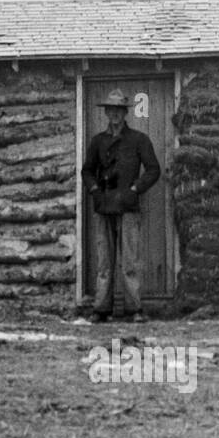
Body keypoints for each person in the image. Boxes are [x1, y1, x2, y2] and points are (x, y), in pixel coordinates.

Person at [80, 89, 160, 323]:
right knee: (105, 261)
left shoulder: (138, 140)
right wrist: (94, 189)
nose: (114, 114)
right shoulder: (98, 141)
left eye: (118, 110)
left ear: (125, 113)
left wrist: (136, 188)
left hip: (127, 206)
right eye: (110, 110)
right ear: (106, 112)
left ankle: (134, 309)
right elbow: (87, 171)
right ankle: (101, 309)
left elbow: (153, 169)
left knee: (130, 261)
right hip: (103, 206)